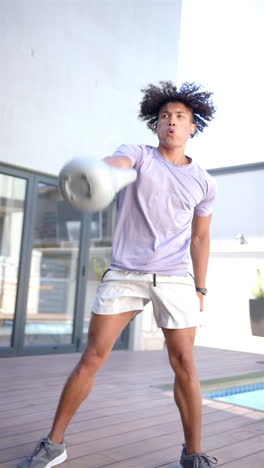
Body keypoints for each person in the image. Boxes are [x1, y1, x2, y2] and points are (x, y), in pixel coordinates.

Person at [18, 81, 218, 468]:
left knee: (185, 363)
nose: (171, 123)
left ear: (193, 126)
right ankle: (53, 444)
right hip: (125, 272)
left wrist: (201, 286)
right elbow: (116, 166)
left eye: (179, 117)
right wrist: (97, 173)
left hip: (175, 276)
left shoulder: (204, 182)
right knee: (92, 355)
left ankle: (193, 454)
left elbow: (201, 236)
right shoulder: (138, 154)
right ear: (155, 125)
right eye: (164, 117)